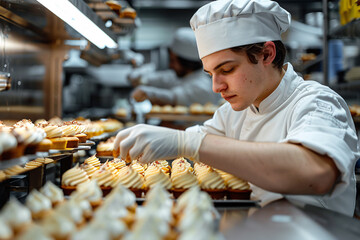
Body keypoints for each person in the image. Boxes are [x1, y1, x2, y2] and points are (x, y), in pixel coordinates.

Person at [114, 0, 359, 216]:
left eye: (227, 70)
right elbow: (203, 139)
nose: (216, 87)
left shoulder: (317, 103)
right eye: (210, 73)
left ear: (266, 54)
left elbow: (317, 174)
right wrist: (165, 139)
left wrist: (185, 143)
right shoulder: (234, 112)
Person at [130, 27, 220, 106]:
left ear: (186, 62)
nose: (170, 65)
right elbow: (153, 79)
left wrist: (148, 93)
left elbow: (173, 97)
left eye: (173, 61)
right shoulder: (180, 76)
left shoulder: (202, 86)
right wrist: (141, 74)